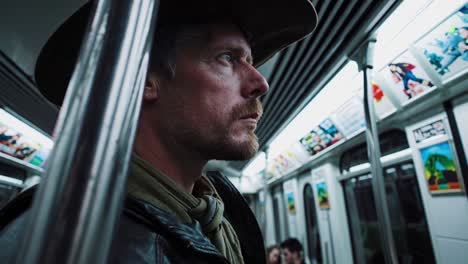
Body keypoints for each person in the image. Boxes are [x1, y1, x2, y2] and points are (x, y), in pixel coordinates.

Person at [0, 0, 317, 263]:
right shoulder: (69, 241)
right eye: (227, 58)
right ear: (146, 79)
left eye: (249, 60)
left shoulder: (220, 215)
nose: (260, 83)